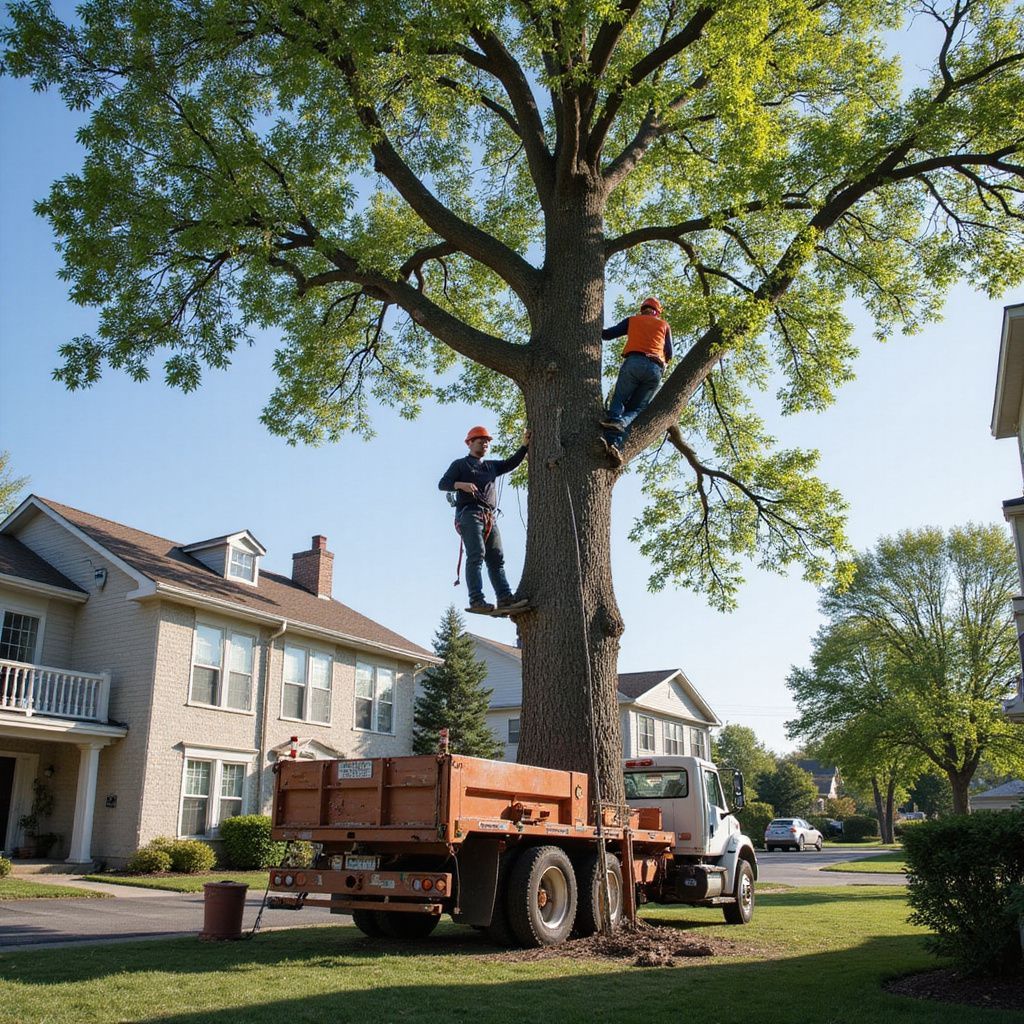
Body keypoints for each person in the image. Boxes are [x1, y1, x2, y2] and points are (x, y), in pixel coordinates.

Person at [439, 426, 531, 612]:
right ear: (470, 443)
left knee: (496, 558)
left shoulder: (491, 466)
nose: (485, 443)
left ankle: (505, 598)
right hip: (469, 513)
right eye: (480, 440)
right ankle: (476, 599)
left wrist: (525, 446)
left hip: (489, 515)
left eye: (487, 441)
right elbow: (443, 484)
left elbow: (511, 463)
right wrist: (461, 485)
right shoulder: (460, 464)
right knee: (476, 554)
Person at [599, 296, 672, 466]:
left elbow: (608, 335)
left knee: (619, 399)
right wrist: (663, 364)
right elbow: (669, 352)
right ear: (657, 311)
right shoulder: (664, 325)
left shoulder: (633, 320)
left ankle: (616, 425)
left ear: (643, 309)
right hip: (655, 369)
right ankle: (614, 442)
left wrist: (594, 328)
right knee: (637, 408)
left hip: (634, 362)